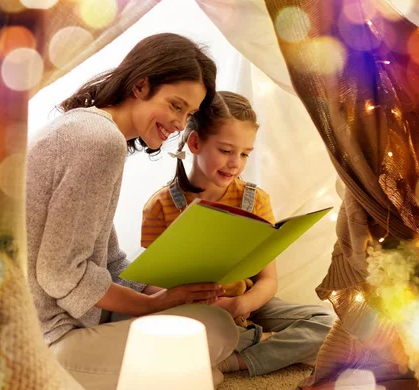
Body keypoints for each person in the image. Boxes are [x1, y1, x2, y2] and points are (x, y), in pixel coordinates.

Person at [26, 33, 239, 390]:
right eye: (175, 106)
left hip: (60, 319)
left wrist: (167, 290)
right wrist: (155, 304)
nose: (178, 123)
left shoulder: (90, 128)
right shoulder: (98, 141)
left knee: (205, 324)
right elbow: (60, 274)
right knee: (215, 332)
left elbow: (107, 259)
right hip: (47, 338)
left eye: (187, 114)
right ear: (141, 86)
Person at [141, 91, 336, 376]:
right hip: (193, 310)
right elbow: (150, 286)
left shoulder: (255, 201)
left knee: (327, 323)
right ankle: (254, 341)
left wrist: (239, 305)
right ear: (195, 143)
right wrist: (185, 298)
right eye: (225, 150)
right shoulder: (160, 205)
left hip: (244, 303)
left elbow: (268, 281)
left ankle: (233, 360)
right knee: (153, 330)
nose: (236, 163)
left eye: (245, 154)